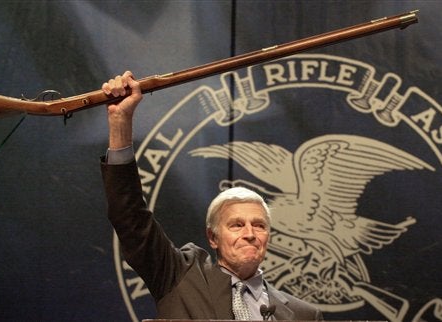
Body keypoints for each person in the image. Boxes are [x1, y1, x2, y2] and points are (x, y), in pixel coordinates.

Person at [100, 71, 323, 320]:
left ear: (268, 236)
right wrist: (120, 122)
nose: (249, 234)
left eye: (259, 225)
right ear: (212, 237)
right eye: (237, 225)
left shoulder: (304, 315)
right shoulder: (179, 276)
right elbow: (130, 217)